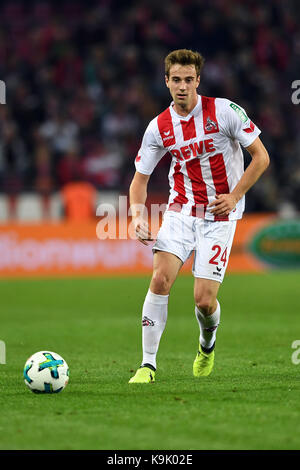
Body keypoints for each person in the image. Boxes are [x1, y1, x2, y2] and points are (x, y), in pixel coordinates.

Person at [128, 49, 270, 383]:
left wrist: (234, 196)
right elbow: (139, 180)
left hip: (220, 216)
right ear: (166, 81)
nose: (182, 86)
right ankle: (148, 365)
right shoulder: (159, 127)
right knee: (160, 279)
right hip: (180, 211)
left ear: (198, 81)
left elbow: (260, 157)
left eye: (188, 80)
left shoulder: (224, 112)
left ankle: (207, 343)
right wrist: (136, 215)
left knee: (204, 301)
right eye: (175, 79)